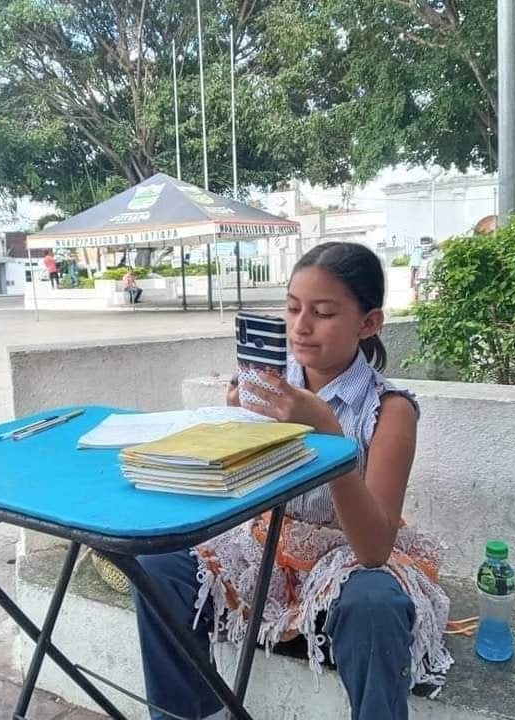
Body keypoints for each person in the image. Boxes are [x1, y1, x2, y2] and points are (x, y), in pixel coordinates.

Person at [132, 242, 452, 720]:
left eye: (323, 313)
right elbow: (244, 495)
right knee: (156, 567)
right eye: (292, 308)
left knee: (375, 605)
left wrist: (329, 435)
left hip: (347, 559)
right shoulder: (271, 388)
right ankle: (188, 714)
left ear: (368, 323)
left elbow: (373, 549)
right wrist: (237, 425)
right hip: (265, 549)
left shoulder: (389, 410)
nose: (300, 327)